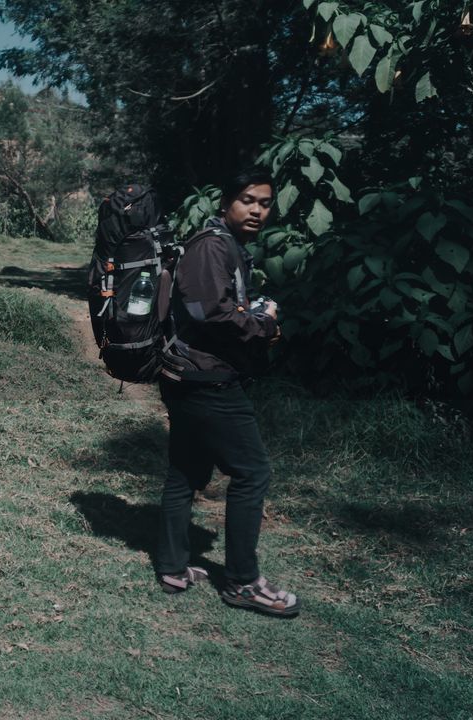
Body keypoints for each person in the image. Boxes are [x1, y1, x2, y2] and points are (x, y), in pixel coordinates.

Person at [154, 168, 300, 618]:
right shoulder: (210, 246)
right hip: (206, 380)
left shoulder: (227, 246)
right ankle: (241, 582)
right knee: (252, 472)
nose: (257, 210)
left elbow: (218, 308)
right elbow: (210, 315)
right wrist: (266, 324)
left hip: (192, 375)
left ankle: (174, 566)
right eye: (247, 200)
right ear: (226, 203)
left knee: (186, 470)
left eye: (265, 202)